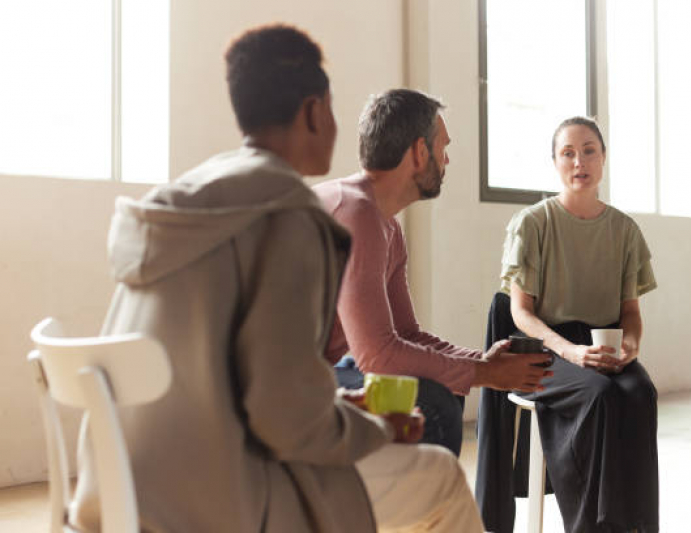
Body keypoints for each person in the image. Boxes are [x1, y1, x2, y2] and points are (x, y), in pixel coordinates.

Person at [69, 24, 483, 533]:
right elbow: (284, 422)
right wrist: (370, 426)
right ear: (314, 111)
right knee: (440, 476)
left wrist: (343, 406)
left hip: (116, 490)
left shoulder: (183, 200)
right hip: (215, 497)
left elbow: (244, 381)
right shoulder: (288, 216)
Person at [314, 89, 553, 457]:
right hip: (278, 383)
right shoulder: (355, 212)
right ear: (419, 153)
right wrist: (485, 375)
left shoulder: (386, 227)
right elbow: (377, 356)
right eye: (442, 147)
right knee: (433, 401)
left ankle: (418, 507)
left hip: (321, 372)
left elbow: (406, 334)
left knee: (442, 388)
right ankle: (421, 510)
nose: (447, 159)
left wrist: (481, 362)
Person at [482, 116, 659, 532]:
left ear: (603, 158)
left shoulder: (624, 230)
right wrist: (570, 351)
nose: (579, 161)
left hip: (603, 345)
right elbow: (519, 312)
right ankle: (592, 524)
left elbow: (630, 312)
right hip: (545, 349)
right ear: (555, 162)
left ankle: (635, 525)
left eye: (589, 150)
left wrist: (630, 346)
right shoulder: (533, 224)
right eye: (568, 153)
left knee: (640, 393)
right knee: (599, 396)